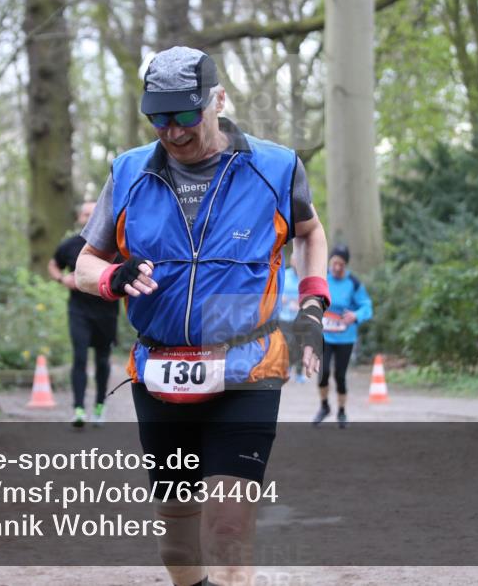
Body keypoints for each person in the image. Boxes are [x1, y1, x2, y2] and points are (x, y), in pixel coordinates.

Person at [75, 46, 329, 586]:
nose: (173, 131)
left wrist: (311, 303)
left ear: (217, 100)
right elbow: (85, 262)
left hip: (247, 370)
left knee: (229, 531)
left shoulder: (275, 167)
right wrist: (110, 278)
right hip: (160, 373)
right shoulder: (127, 173)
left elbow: (309, 232)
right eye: (158, 117)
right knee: (177, 541)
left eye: (186, 115)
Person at [47, 201, 119, 428]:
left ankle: (99, 406)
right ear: (79, 218)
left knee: (102, 360)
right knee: (79, 358)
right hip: (78, 311)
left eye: (94, 213)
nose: (90, 217)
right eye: (86, 214)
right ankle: (78, 409)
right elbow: (52, 264)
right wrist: (62, 279)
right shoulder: (70, 245)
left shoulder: (115, 244)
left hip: (107, 312)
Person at [313, 244, 372, 429]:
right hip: (325, 336)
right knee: (323, 374)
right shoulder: (323, 279)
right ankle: (324, 407)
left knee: (340, 375)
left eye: (341, 264)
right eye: (334, 263)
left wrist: (356, 316)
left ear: (346, 265)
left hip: (346, 338)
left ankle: (342, 411)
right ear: (330, 262)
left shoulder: (353, 283)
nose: (337, 267)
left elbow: (367, 306)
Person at [278, 253, 307, 383]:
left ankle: (300, 373)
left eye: (298, 261)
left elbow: (309, 297)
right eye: (294, 261)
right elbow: (275, 292)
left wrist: (300, 304)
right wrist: (280, 298)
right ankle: (287, 368)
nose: (296, 263)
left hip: (299, 318)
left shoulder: (305, 278)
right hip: (284, 317)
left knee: (300, 345)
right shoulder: (284, 274)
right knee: (288, 344)